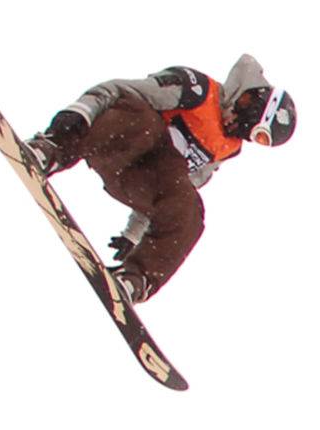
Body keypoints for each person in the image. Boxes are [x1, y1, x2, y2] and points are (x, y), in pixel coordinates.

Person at [28, 54, 297, 303]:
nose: (239, 131)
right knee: (143, 119)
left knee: (191, 207)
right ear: (248, 101)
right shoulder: (196, 91)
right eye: (248, 126)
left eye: (253, 138)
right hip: (119, 138)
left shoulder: (227, 147)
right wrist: (76, 116)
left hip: (137, 178)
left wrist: (134, 234)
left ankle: (136, 279)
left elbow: (175, 187)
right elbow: (117, 90)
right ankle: (50, 152)